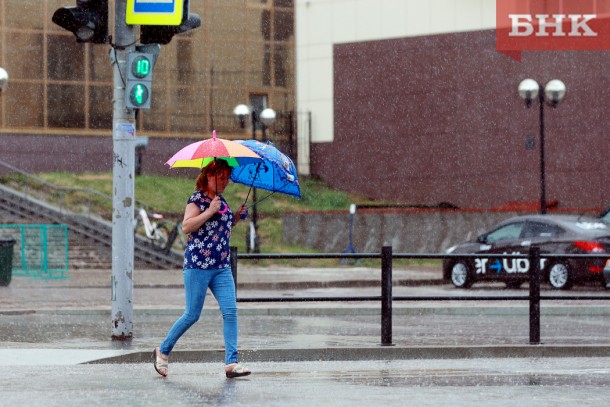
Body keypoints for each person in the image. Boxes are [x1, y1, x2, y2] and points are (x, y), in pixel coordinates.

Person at [153, 159, 250, 379]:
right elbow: (187, 226)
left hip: (221, 266)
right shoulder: (197, 198)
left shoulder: (221, 201)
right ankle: (163, 351)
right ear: (208, 175)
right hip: (198, 265)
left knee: (230, 311)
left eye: (227, 178)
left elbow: (220, 227)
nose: (225, 182)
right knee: (192, 315)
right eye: (221, 177)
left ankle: (231, 362)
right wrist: (209, 211)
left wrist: (235, 217)